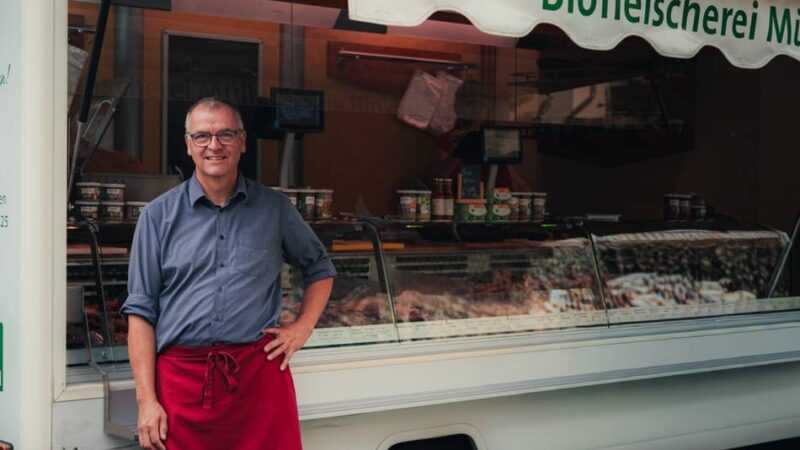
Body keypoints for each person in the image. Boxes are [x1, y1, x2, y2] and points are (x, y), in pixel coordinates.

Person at [121, 97, 336, 450]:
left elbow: (320, 268)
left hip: (257, 380)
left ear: (243, 142)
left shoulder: (274, 208)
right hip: (180, 385)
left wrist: (301, 329)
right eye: (203, 136)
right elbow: (141, 314)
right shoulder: (157, 217)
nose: (214, 146)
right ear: (188, 145)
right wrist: (146, 401)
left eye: (226, 134)